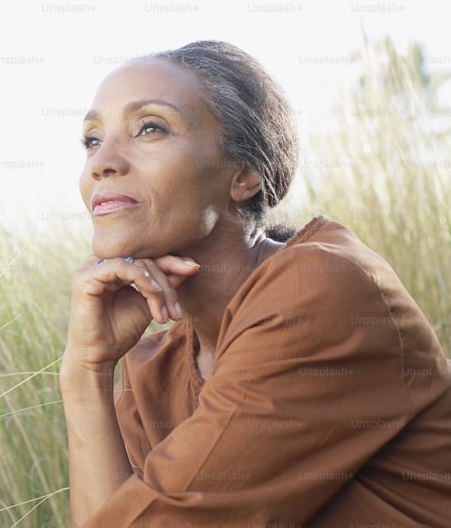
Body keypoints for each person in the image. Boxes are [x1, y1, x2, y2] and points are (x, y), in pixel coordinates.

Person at [61, 40, 451, 527]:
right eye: (92, 139)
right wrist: (86, 373)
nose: (102, 162)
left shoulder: (323, 288)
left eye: (150, 128)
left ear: (243, 175)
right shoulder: (152, 371)